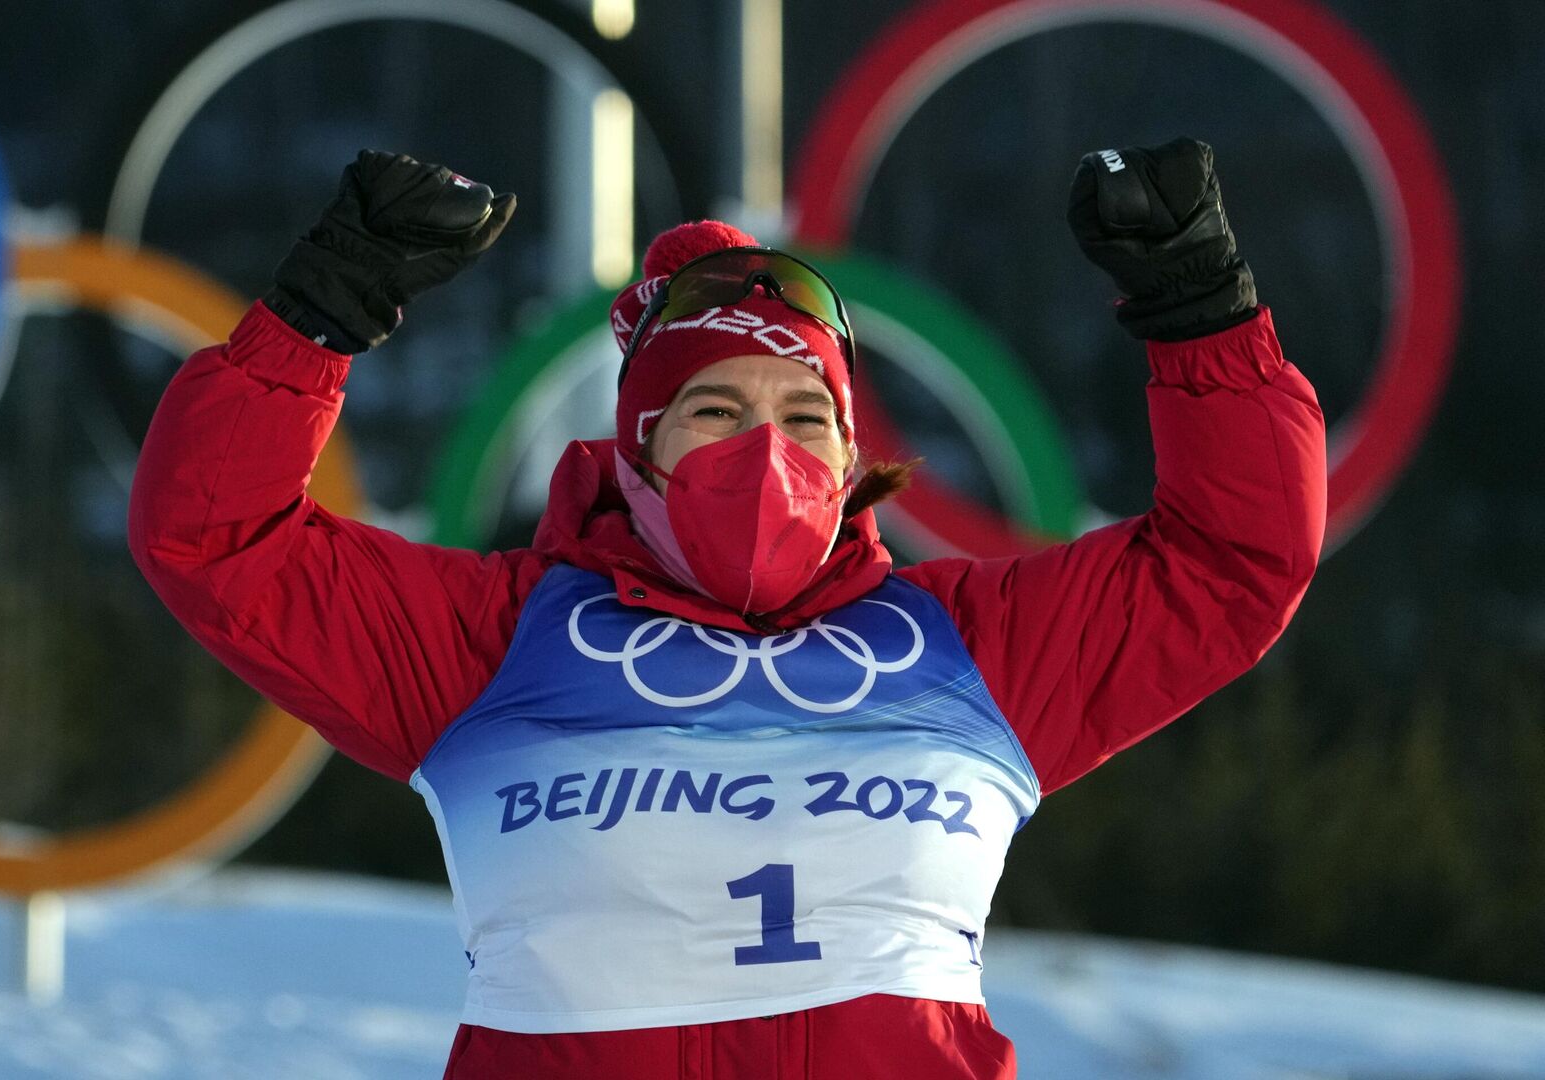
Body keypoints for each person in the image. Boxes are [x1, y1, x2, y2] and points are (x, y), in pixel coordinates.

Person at [129, 140, 1326, 1079]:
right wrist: (322, 309)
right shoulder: (489, 644)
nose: (765, 453)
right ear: (636, 449)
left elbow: (1235, 555)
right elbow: (216, 534)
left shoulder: (972, 647)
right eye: (712, 413)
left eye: (805, 421)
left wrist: (1200, 308)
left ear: (856, 458)